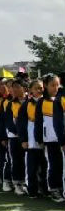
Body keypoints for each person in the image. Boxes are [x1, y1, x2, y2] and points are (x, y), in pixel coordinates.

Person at [36, 74, 64, 202]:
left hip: (62, 137)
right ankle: (54, 189)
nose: (56, 88)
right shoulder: (41, 101)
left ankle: (61, 188)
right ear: (46, 86)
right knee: (54, 164)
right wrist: (39, 139)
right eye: (53, 85)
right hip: (50, 139)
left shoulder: (61, 99)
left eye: (57, 84)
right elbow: (38, 121)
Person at [18, 79, 47, 198]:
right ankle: (32, 190)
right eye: (36, 88)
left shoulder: (48, 102)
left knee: (45, 166)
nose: (39, 90)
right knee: (32, 167)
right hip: (31, 139)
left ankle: (46, 189)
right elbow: (21, 123)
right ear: (30, 90)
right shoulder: (26, 104)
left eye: (41, 88)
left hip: (45, 138)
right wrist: (23, 139)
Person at [4, 80, 27, 195]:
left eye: (17, 87)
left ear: (24, 88)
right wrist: (19, 132)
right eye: (13, 88)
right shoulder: (11, 103)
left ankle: (27, 183)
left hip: (29, 137)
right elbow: (8, 122)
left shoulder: (30, 102)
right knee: (16, 160)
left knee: (27, 161)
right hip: (15, 137)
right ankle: (17, 183)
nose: (14, 90)